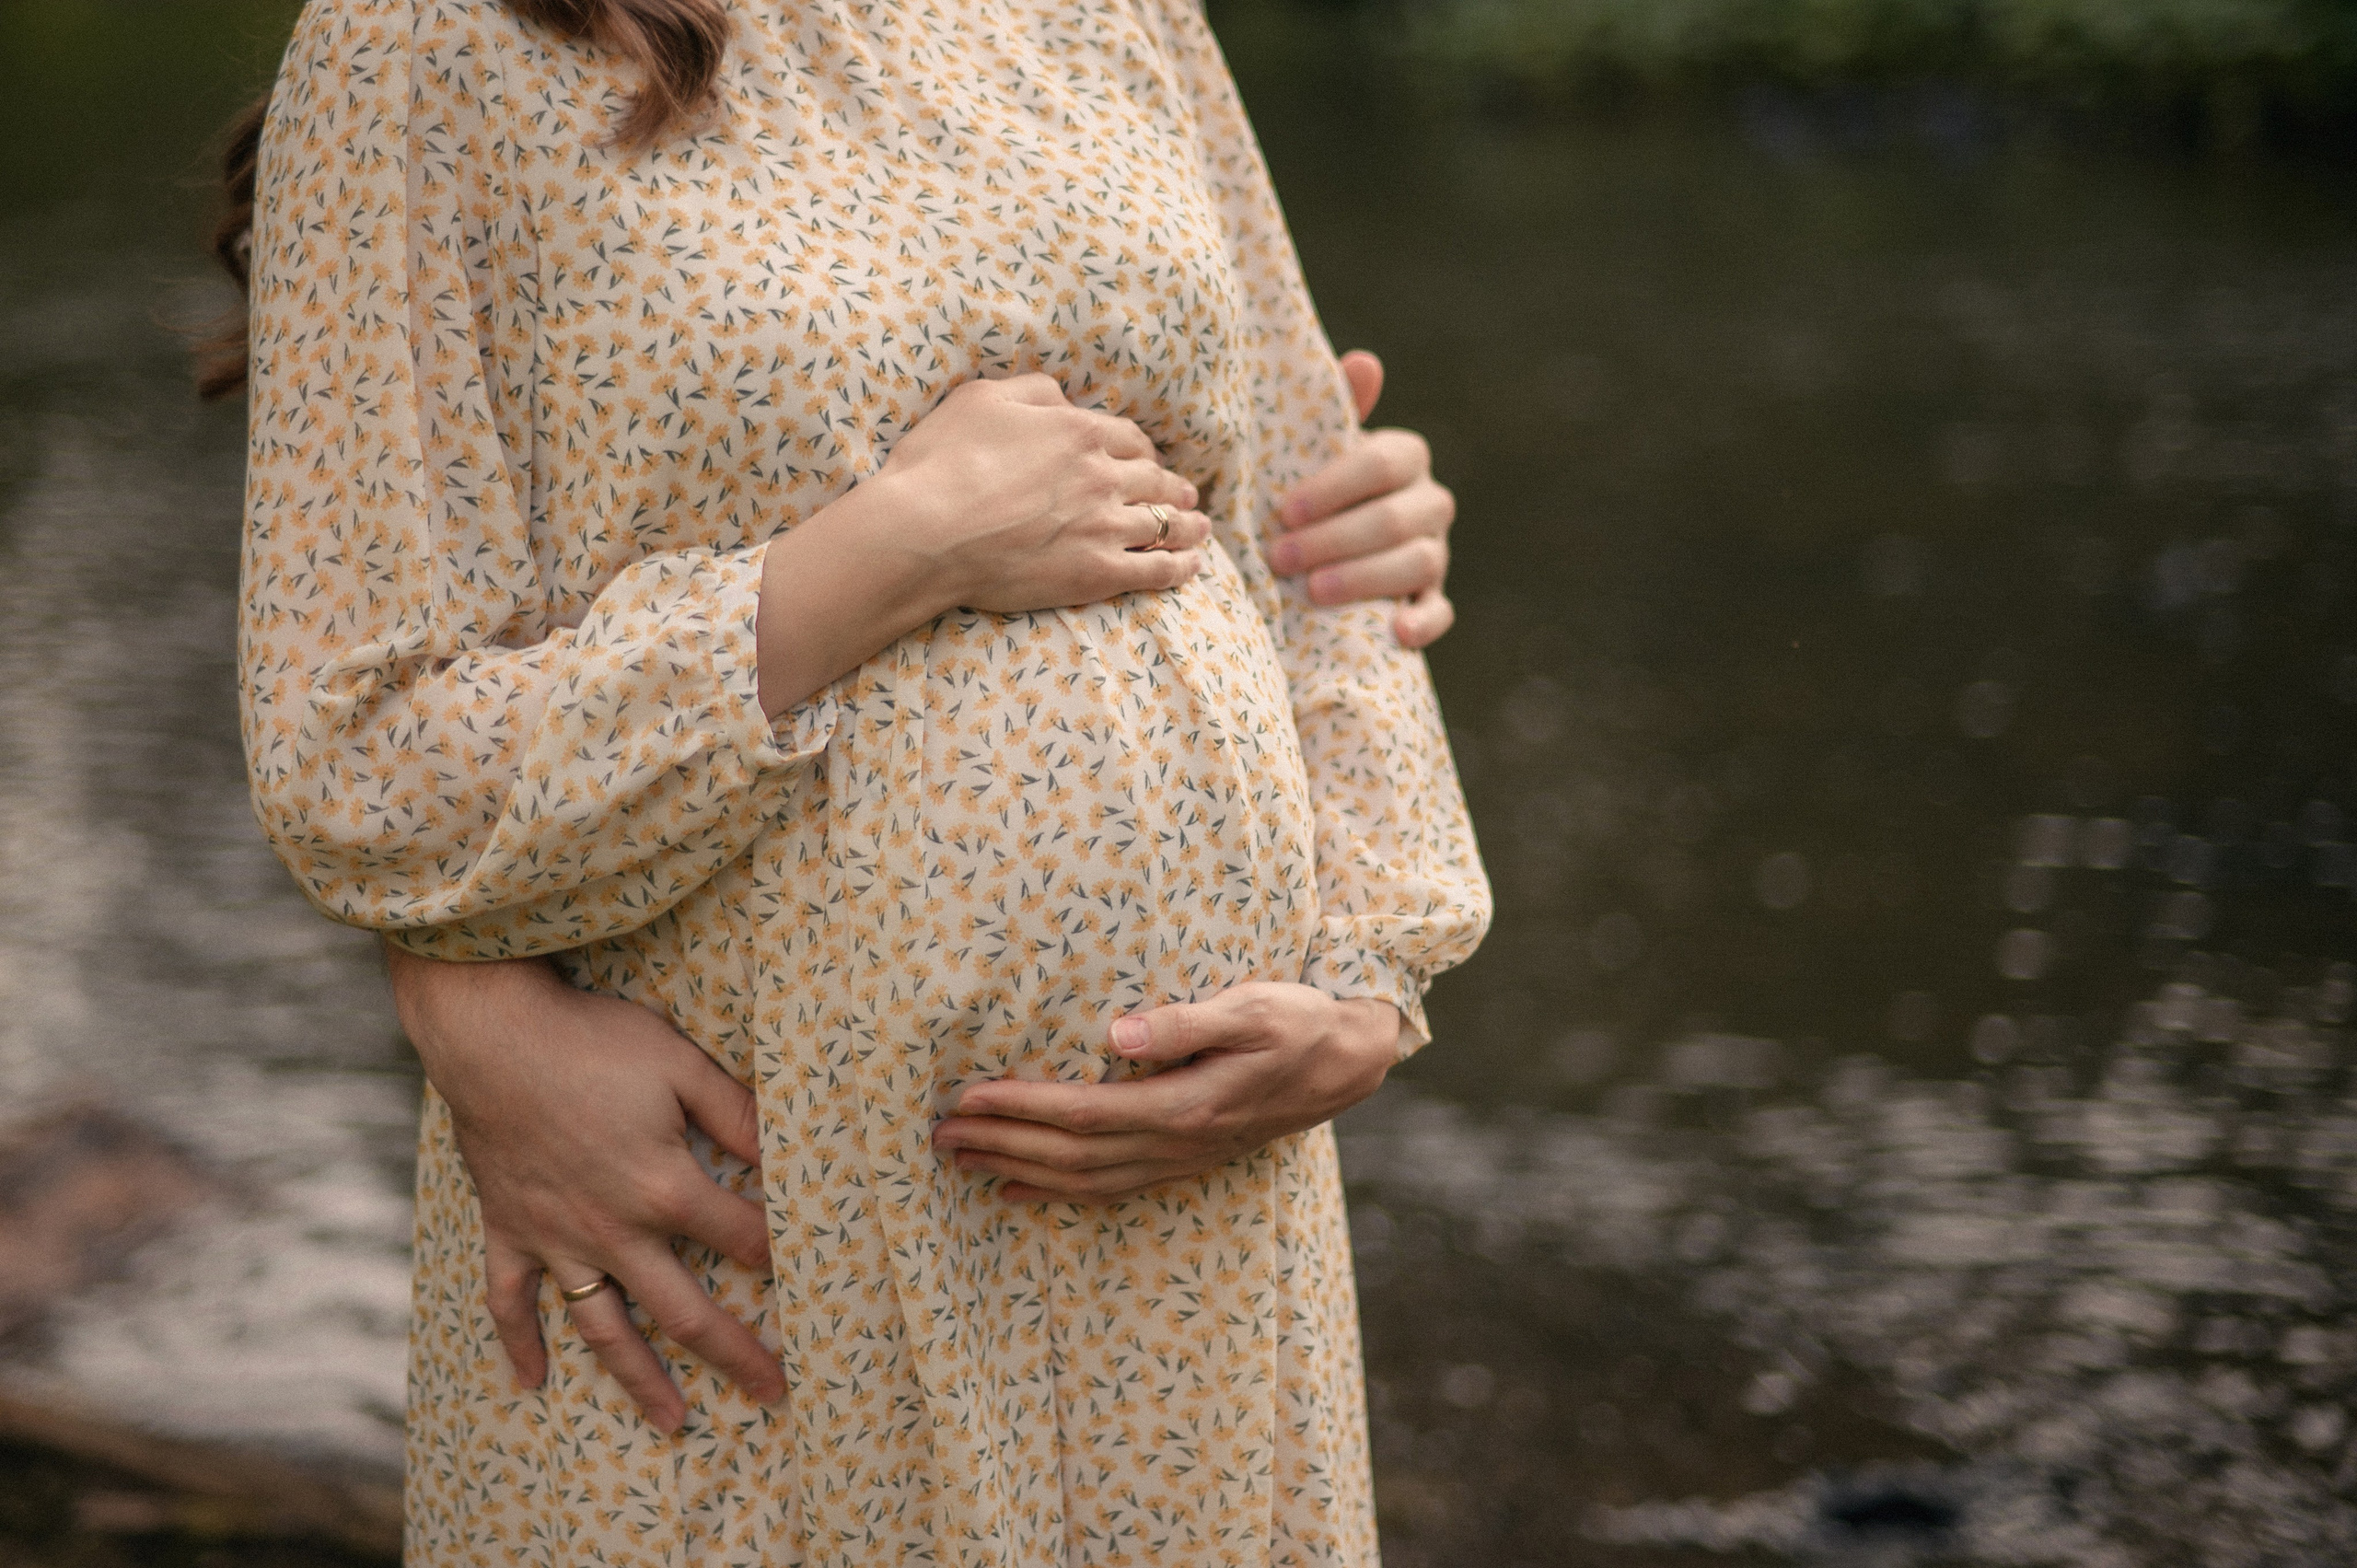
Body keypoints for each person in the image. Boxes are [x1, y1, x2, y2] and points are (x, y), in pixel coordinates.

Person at [221, 0, 1490, 1559]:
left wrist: (1370, 985)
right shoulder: (419, 41)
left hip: (1193, 1239)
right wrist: (892, 553)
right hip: (754, 1235)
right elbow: (355, 757)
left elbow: (1312, 541)